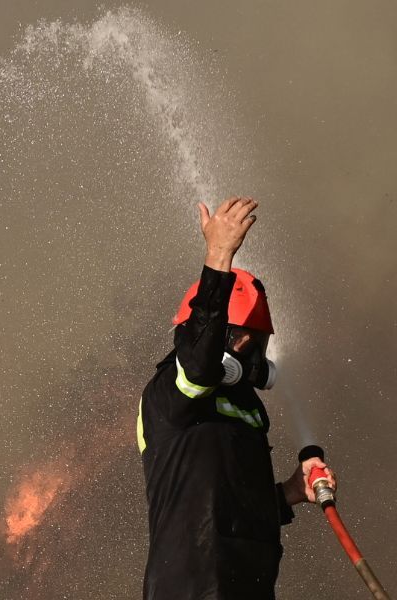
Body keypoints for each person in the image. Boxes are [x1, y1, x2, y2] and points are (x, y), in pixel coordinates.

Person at [137, 197, 336, 599]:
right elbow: (198, 365)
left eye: (255, 339)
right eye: (240, 334)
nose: (249, 346)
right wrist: (218, 256)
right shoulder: (173, 394)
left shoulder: (247, 410)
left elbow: (233, 511)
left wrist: (288, 494)